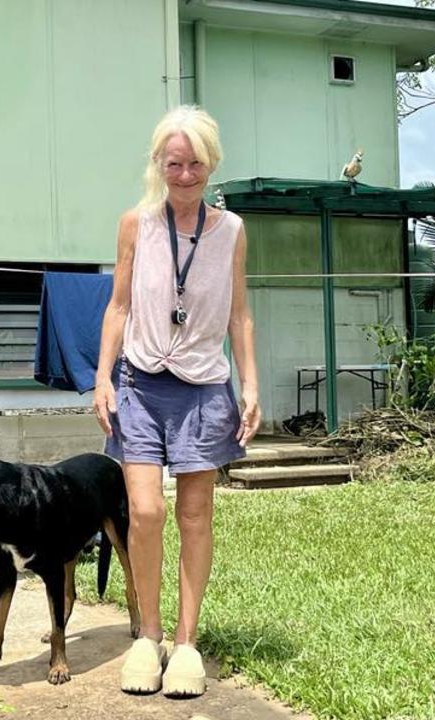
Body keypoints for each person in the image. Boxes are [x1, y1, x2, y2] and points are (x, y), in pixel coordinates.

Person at [93, 105, 260, 698]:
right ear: (159, 166)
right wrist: (103, 376)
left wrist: (252, 384)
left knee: (195, 517)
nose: (185, 174)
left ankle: (186, 644)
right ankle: (148, 635)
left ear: (211, 164)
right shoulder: (136, 223)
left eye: (194, 163)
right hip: (139, 383)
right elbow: (118, 305)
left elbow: (239, 314)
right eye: (174, 164)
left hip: (203, 388)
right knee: (144, 513)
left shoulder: (232, 231)